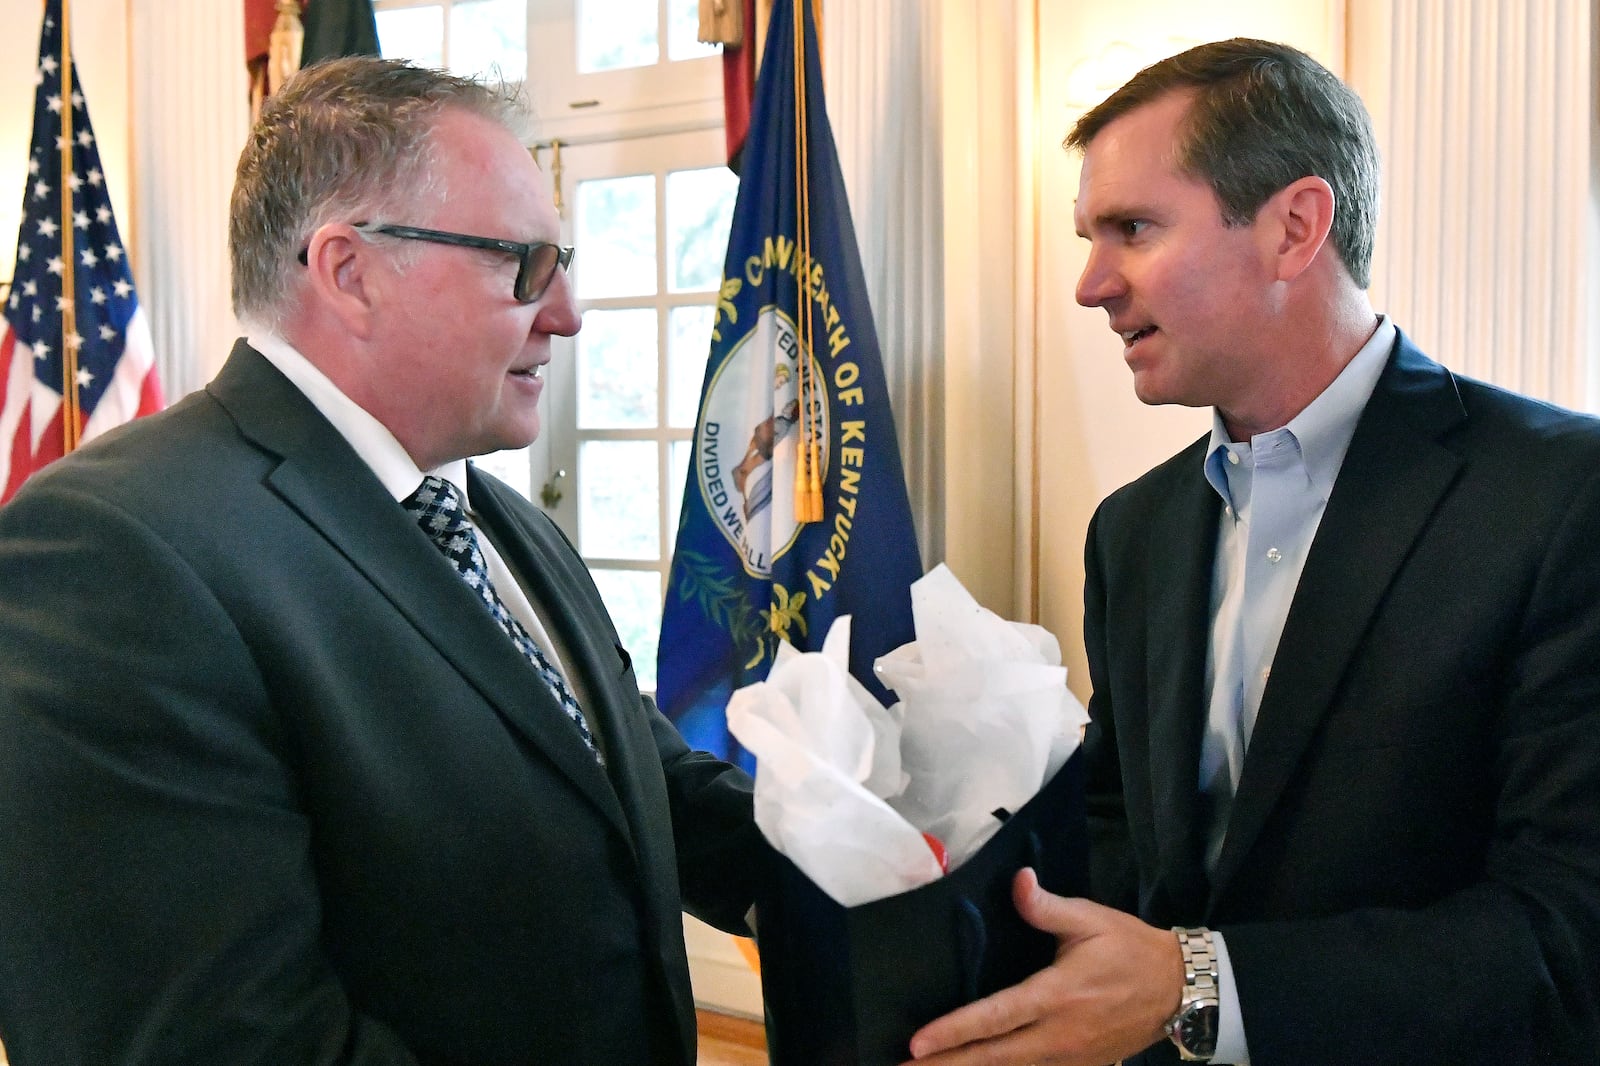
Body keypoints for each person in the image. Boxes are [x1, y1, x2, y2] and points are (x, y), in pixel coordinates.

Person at [0, 57, 769, 1065]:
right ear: (349, 271)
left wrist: (916, 863)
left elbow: (635, 787)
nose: (568, 313)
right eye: (524, 264)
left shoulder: (488, 511)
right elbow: (212, 1040)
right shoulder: (113, 553)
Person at [904, 37, 1600, 1066]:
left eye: (1131, 229)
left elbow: (1565, 940)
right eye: (1089, 237)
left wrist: (1198, 987)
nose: (1092, 284)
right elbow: (1119, 826)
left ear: (1293, 227)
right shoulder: (1133, 530)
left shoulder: (1560, 497)